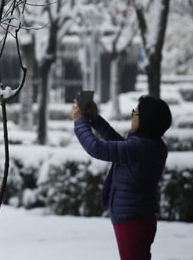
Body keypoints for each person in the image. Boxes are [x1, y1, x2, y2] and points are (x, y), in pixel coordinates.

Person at [72, 95, 172, 260]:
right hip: (139, 218)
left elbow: (96, 148)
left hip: (132, 221)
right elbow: (118, 144)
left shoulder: (138, 147)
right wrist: (95, 119)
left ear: (146, 120)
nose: (132, 115)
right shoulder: (151, 145)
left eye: (135, 113)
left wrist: (79, 122)